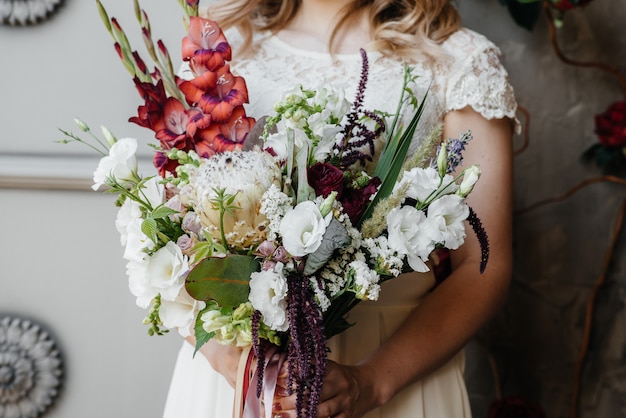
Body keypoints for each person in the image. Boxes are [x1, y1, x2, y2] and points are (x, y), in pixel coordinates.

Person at [163, 0, 518, 417]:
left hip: (394, 368)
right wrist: (229, 359)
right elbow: (171, 234)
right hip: (237, 377)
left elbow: (482, 264)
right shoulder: (219, 48)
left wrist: (370, 382)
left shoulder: (458, 60)